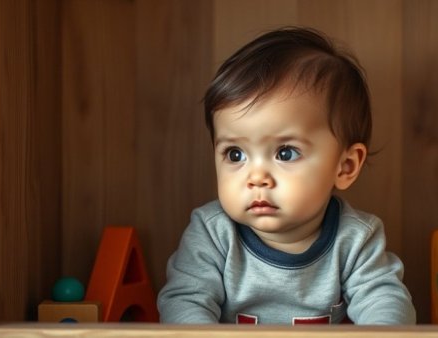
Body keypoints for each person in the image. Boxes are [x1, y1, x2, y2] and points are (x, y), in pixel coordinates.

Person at [158, 26, 416, 325]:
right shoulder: (213, 233)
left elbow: (385, 302)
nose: (256, 177)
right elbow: (184, 302)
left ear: (345, 167)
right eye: (235, 155)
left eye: (285, 153)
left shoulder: (356, 238)